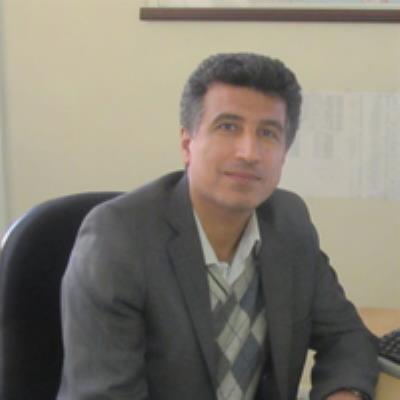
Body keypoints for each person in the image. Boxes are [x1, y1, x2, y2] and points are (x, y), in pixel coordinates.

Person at [57, 53, 378, 400]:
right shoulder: (117, 240)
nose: (249, 152)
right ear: (187, 144)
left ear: (284, 154)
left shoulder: (288, 222)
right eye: (228, 127)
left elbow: (347, 337)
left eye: (268, 133)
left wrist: (343, 394)